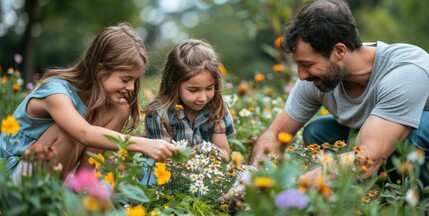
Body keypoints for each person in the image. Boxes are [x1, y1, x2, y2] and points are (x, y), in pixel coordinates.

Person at [250, 0, 429, 185]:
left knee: (420, 134)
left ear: (339, 51)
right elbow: (274, 134)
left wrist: (292, 185)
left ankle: (413, 204)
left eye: (307, 65)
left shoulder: (406, 70)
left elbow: (367, 158)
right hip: (378, 143)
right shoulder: (317, 77)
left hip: (411, 145)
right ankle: (358, 196)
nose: (301, 76)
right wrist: (251, 176)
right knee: (317, 132)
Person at [0, 23, 178, 180]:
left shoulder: (111, 106)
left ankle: (74, 195)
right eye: (125, 79)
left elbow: (90, 150)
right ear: (100, 69)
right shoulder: (56, 92)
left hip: (43, 173)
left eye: (134, 80)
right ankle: (44, 210)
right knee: (68, 131)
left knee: (121, 108)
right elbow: (83, 133)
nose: (131, 87)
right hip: (10, 177)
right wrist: (141, 144)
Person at [141, 39, 236, 184]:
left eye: (209, 88)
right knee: (151, 183)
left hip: (201, 176)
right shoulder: (159, 114)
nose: (203, 98)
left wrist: (208, 149)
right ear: (174, 84)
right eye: (193, 90)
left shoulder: (215, 108)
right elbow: (162, 162)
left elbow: (224, 154)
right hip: (163, 175)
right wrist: (196, 153)